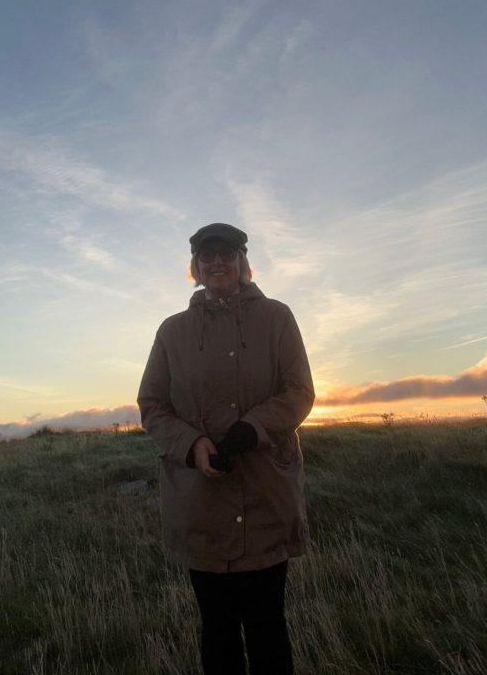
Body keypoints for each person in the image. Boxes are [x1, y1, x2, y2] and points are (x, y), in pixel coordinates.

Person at [138, 222, 314, 675]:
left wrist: (252, 429)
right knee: (216, 629)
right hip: (199, 501)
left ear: (242, 263)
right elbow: (153, 405)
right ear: (194, 267)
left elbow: (299, 392)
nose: (218, 262)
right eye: (207, 255)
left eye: (227, 253)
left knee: (268, 627)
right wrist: (192, 444)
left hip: (265, 495)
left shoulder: (278, 317)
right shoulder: (171, 331)